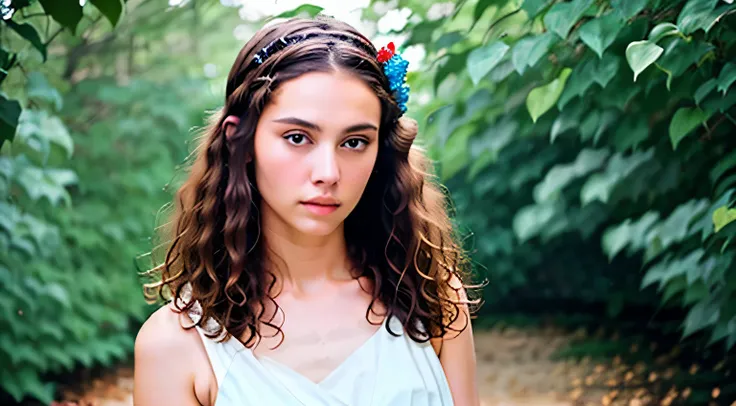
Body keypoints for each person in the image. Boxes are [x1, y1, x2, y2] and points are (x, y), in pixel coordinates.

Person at [133, 14, 481, 406]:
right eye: (297, 137)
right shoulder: (176, 345)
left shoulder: (431, 297)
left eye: (354, 142)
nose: (328, 173)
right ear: (240, 143)